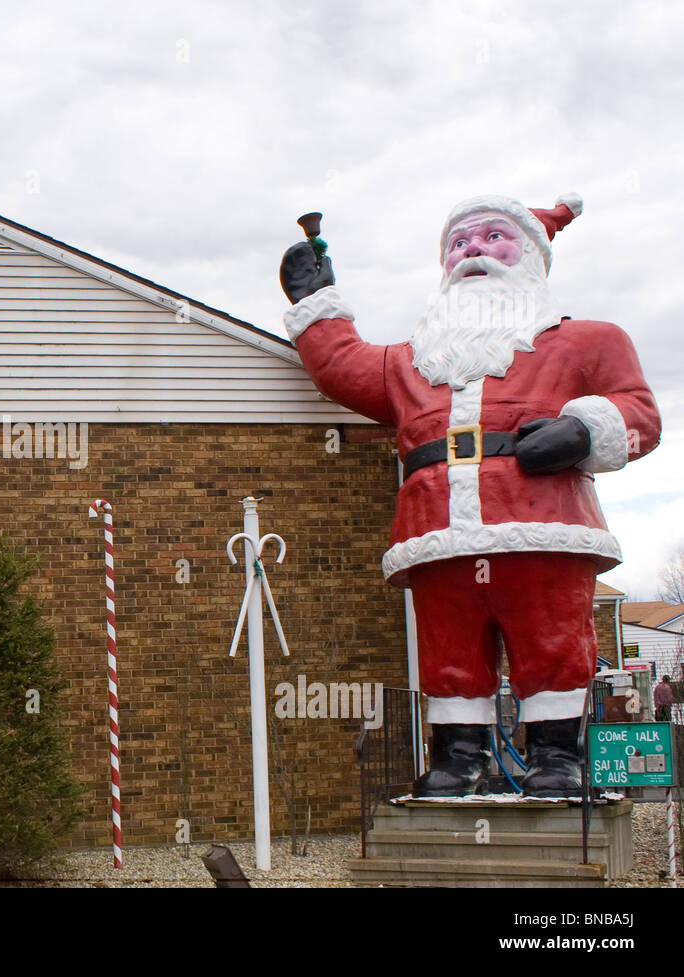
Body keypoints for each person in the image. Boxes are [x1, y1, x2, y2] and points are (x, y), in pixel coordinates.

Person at [280, 193, 661, 797]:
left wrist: (584, 429)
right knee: (449, 651)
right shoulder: (411, 362)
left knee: (553, 642)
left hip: (544, 527)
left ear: (529, 258)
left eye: (493, 238)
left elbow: (639, 414)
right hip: (438, 533)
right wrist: (316, 305)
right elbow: (343, 368)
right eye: (460, 243)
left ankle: (557, 757)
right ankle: (459, 758)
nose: (473, 252)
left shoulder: (590, 342)